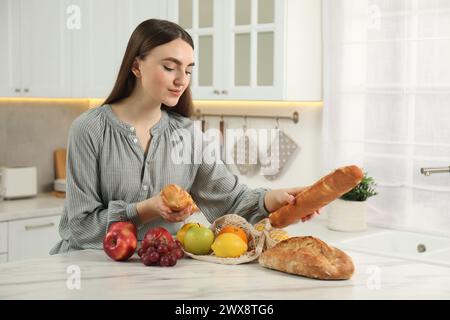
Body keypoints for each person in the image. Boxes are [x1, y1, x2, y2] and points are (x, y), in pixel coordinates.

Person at [50, 19, 316, 254]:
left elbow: (231, 201)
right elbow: (81, 227)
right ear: (136, 66)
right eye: (170, 67)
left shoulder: (188, 134)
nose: (182, 80)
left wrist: (275, 199)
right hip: (89, 269)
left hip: (158, 272)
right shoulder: (89, 129)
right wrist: (147, 209)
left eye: (188, 70)